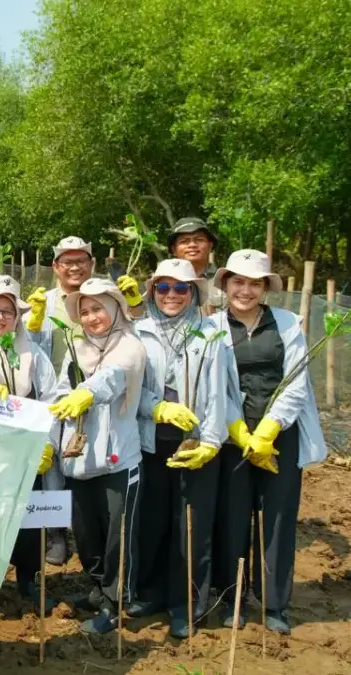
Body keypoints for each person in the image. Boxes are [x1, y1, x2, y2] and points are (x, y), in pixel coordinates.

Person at [211, 249, 326, 635]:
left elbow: (296, 382)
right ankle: (234, 597)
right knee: (232, 516)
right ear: (225, 284)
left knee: (277, 517)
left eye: (254, 283)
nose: (245, 290)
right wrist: (239, 430)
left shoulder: (289, 323)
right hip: (234, 439)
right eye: (238, 282)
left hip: (280, 435)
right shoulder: (211, 327)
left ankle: (275, 603)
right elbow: (216, 389)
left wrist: (269, 429)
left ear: (265, 288)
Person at [130, 259, 231, 638]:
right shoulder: (138, 332)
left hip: (194, 443)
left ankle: (186, 603)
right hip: (150, 442)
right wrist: (154, 407)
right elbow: (131, 389)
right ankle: (150, 592)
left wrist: (210, 441)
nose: (171, 295)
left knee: (190, 527)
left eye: (181, 288)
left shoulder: (210, 335)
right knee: (152, 522)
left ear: (194, 293)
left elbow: (220, 394)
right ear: (152, 292)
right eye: (163, 288)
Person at [46, 278, 147, 635]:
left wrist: (85, 393)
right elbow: (60, 390)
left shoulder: (131, 345)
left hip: (118, 459)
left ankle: (115, 603)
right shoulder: (77, 348)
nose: (91, 317)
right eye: (84, 311)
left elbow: (112, 379)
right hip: (78, 459)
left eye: (98, 308)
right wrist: (50, 428)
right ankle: (96, 588)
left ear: (116, 308)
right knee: (87, 534)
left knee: (116, 536)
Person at [0, 275, 59, 615]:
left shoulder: (32, 353)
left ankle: (27, 579)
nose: (0, 317)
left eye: (8, 311)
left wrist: (47, 443)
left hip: (26, 451)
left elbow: (51, 398)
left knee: (28, 519)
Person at [168, 217, 224, 311]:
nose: (192, 245)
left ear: (210, 246)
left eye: (199, 239)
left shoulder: (227, 280)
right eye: (184, 241)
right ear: (174, 250)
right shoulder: (162, 284)